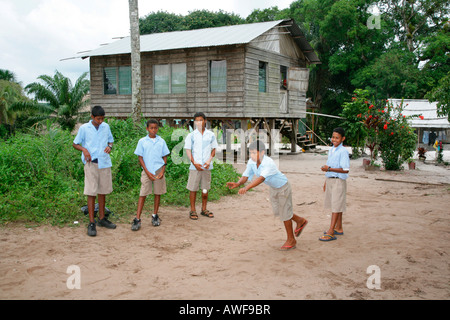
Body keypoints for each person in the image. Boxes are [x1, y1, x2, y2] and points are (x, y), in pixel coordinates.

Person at [226, 140, 308, 251]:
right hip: (274, 188)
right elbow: (245, 176)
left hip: (283, 187)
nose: (252, 155)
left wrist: (246, 188)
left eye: (255, 152)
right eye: (251, 153)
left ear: (263, 152)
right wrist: (238, 183)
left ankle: (291, 240)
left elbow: (261, 179)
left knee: (284, 213)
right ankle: (300, 220)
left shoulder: (268, 163)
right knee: (280, 211)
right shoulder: (251, 162)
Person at [73, 105, 116, 237]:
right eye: (98, 119)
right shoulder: (84, 128)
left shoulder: (106, 127)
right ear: (92, 117)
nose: (100, 121)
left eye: (102, 119)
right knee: (91, 192)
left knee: (103, 191)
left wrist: (109, 147)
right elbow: (75, 143)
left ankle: (102, 218)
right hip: (91, 164)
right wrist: (84, 150)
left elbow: (111, 141)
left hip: (104, 163)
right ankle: (91, 222)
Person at [131, 119, 170, 231]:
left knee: (157, 193)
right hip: (147, 171)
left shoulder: (161, 141)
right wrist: (147, 172)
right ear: (147, 128)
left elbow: (165, 156)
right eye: (151, 128)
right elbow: (140, 157)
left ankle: (155, 215)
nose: (154, 130)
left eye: (156, 128)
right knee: (143, 193)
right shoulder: (142, 141)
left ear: (158, 128)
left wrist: (163, 171)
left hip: (158, 170)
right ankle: (137, 218)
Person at [184, 112, 218, 220]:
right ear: (194, 122)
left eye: (201, 120)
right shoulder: (191, 135)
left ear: (205, 121)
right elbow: (188, 150)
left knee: (205, 189)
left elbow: (213, 149)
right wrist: (194, 163)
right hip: (195, 167)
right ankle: (193, 210)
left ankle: (204, 209)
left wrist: (208, 161)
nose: (199, 122)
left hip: (206, 167)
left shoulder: (210, 135)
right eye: (197, 120)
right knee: (193, 189)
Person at [319, 127, 350, 241]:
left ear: (343, 139)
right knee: (336, 204)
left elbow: (345, 169)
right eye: (333, 137)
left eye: (337, 138)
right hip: (331, 179)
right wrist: (326, 181)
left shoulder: (343, 152)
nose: (334, 139)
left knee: (336, 205)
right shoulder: (332, 149)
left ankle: (331, 231)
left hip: (338, 181)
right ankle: (339, 227)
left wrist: (329, 169)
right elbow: (328, 166)